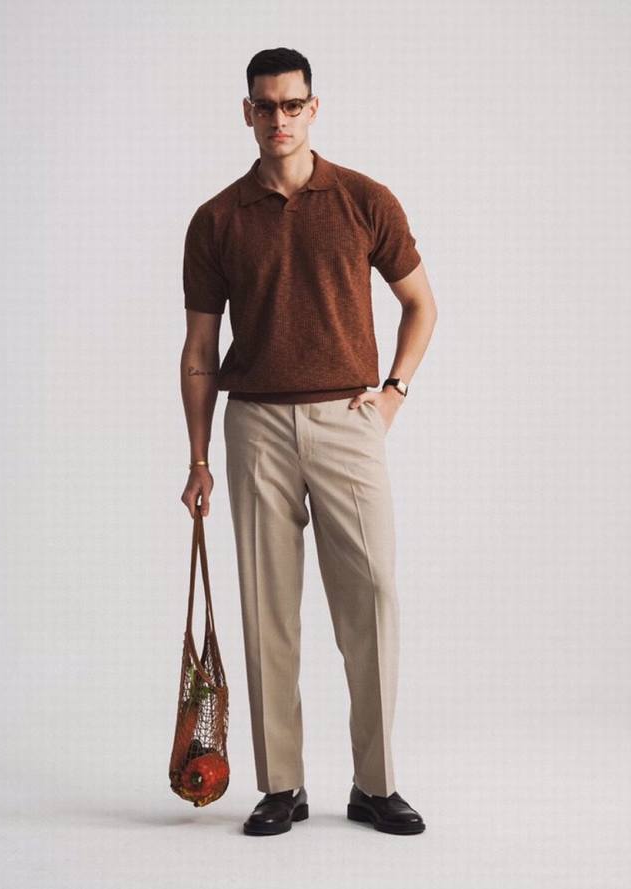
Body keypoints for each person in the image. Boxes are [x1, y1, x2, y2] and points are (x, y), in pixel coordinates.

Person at [179, 47, 437, 836]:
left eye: (292, 104)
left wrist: (393, 393)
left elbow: (421, 305)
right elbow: (198, 351)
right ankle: (280, 785)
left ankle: (375, 784)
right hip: (254, 424)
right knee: (268, 609)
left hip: (346, 421)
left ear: (313, 109)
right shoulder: (218, 219)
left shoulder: (363, 199)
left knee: (373, 597)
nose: (279, 119)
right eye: (265, 106)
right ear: (247, 113)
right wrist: (198, 458)